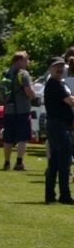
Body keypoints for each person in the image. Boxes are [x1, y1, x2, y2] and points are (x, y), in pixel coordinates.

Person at [43, 57, 74, 204]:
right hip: (58, 126)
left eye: (62, 66)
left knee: (55, 162)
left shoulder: (57, 83)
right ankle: (65, 195)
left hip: (55, 125)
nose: (60, 68)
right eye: (56, 66)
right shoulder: (56, 84)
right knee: (64, 161)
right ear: (50, 69)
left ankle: (50, 195)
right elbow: (71, 101)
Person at [0, 51, 35, 171]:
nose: (27, 63)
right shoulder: (23, 74)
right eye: (25, 60)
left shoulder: (4, 73)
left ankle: (6, 163)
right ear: (18, 61)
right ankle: (19, 163)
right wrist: (33, 95)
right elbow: (29, 92)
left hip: (8, 111)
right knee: (22, 138)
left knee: (8, 138)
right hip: (22, 110)